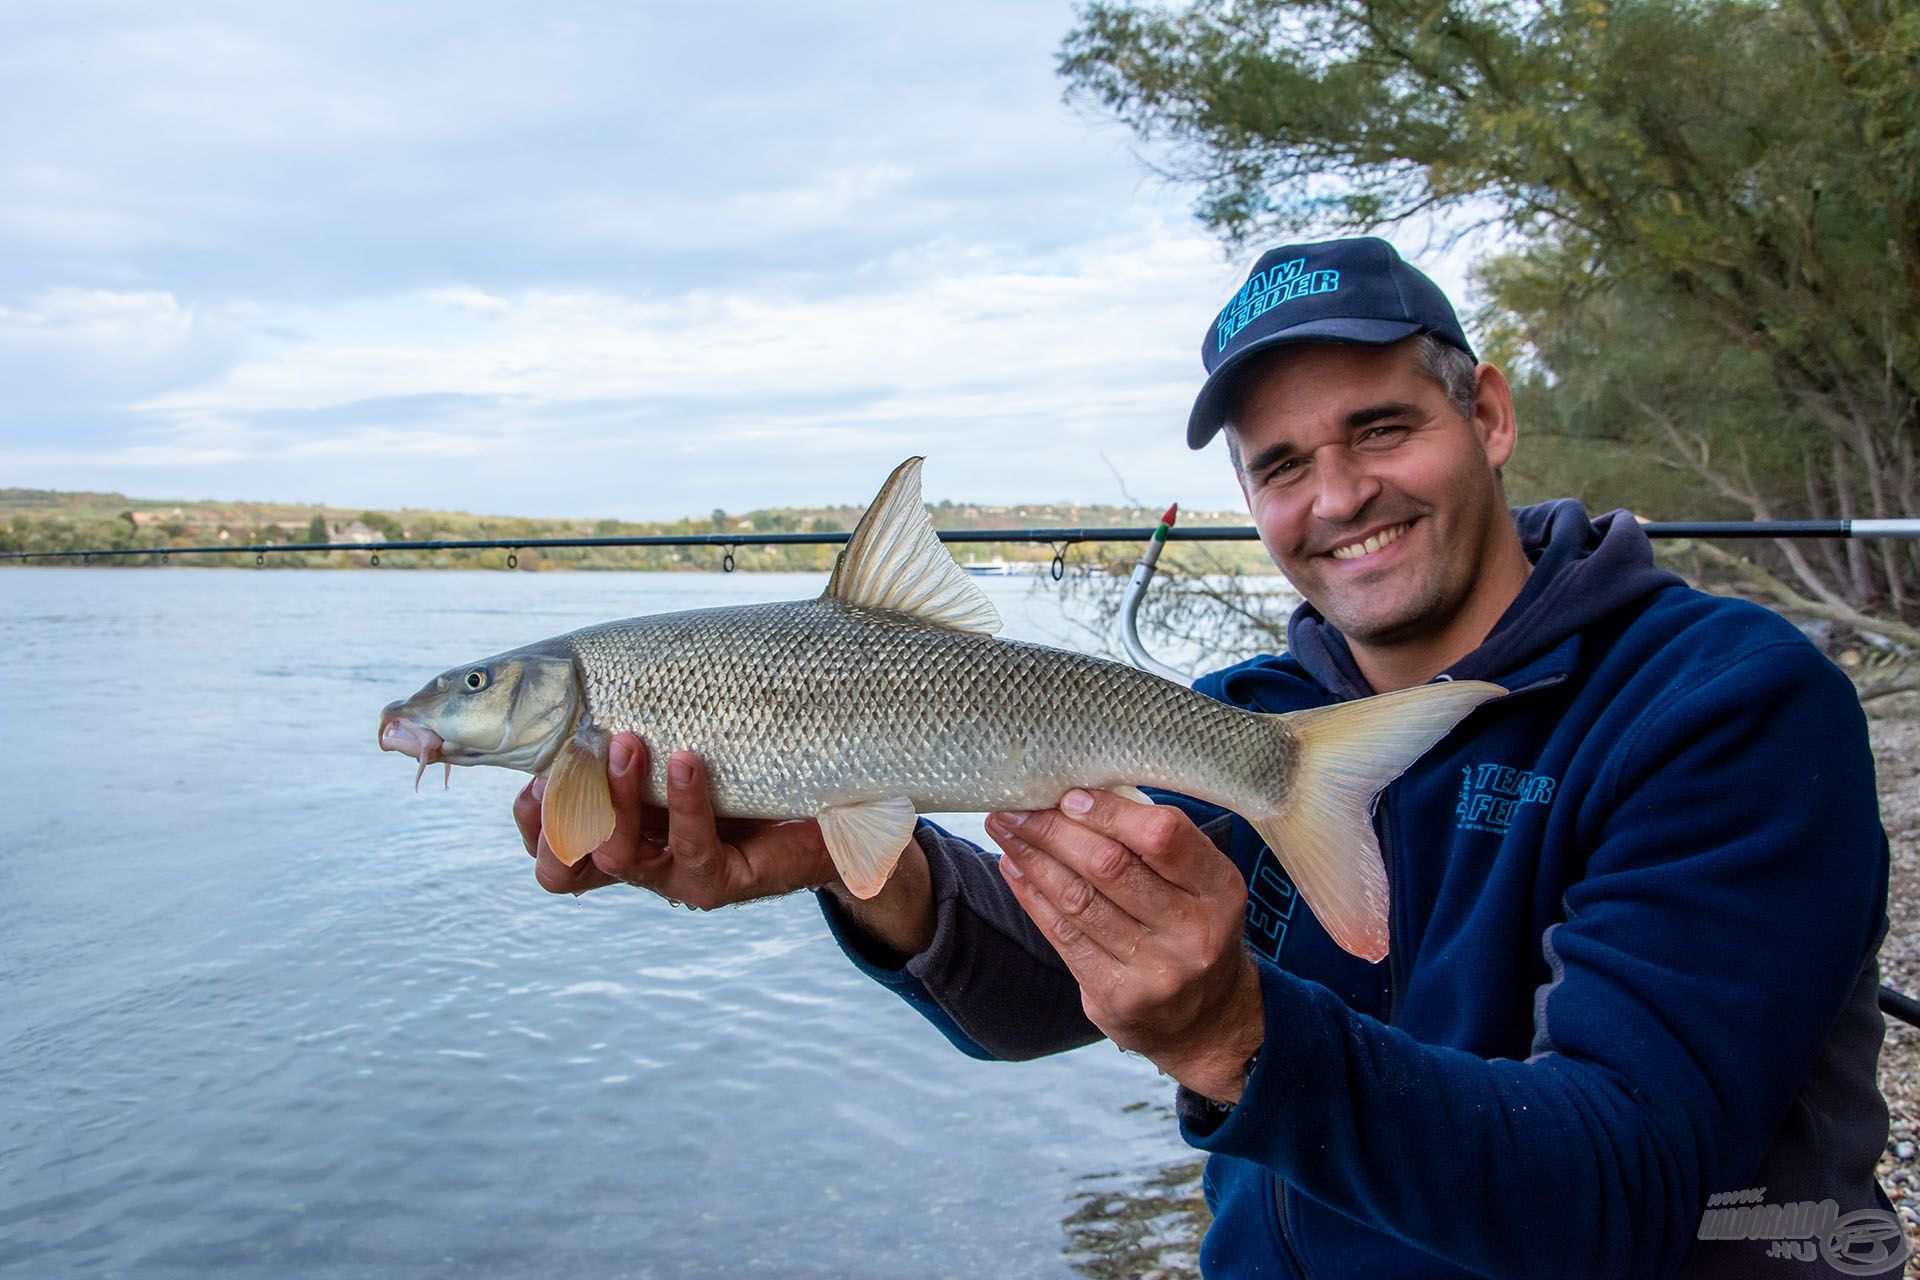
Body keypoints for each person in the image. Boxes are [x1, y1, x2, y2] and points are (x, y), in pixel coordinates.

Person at [514, 237, 1898, 1279]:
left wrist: (1239, 1040)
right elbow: (1040, 997)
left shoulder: (1725, 706)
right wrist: (859, 861)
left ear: (1487, 413)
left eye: (1381, 430)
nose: (1337, 497)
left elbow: (1629, 1186)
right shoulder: (1243, 718)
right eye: (1280, 464)